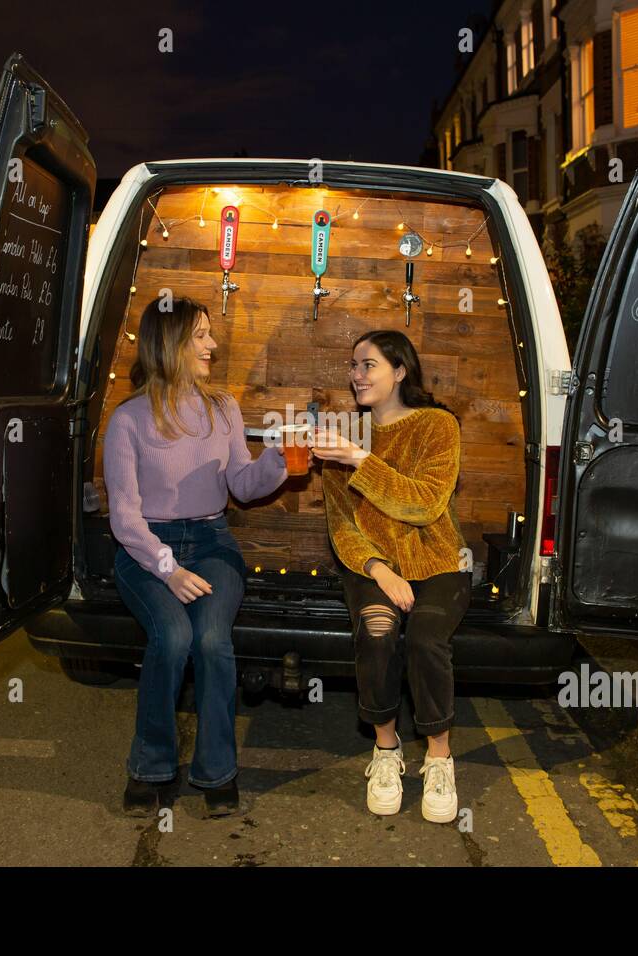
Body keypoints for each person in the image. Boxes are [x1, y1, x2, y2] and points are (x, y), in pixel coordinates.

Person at [103, 296, 296, 817]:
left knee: (212, 641)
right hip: (145, 550)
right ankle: (151, 767)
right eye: (201, 336)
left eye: (211, 334)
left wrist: (279, 460)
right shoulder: (128, 420)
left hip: (212, 542)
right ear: (169, 344)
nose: (213, 344)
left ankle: (216, 772)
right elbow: (124, 517)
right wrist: (168, 569)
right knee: (173, 636)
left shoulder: (223, 408)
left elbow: (242, 485)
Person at [313, 329, 471, 823]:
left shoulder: (437, 426)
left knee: (425, 636)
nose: (356, 374)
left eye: (368, 365)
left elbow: (424, 504)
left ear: (400, 370)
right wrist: (379, 570)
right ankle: (385, 750)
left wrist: (360, 459)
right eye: (353, 366)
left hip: (439, 560)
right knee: (379, 631)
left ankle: (439, 758)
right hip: (373, 566)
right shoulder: (345, 434)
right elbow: (341, 525)